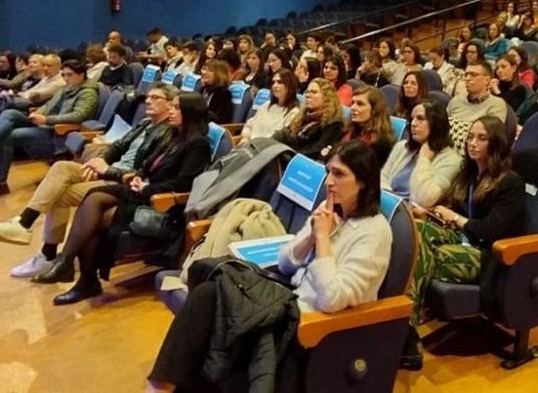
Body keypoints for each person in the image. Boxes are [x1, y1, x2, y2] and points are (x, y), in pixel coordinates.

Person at [146, 141, 391, 392]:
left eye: (339, 174)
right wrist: (309, 238)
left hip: (313, 328)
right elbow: (285, 264)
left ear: (363, 181)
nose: (328, 181)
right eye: (328, 171)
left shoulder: (375, 231)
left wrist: (322, 239)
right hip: (284, 302)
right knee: (210, 294)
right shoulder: (329, 210)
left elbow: (331, 299)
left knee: (219, 325)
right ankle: (158, 387)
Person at [0, 84, 178, 277]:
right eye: (148, 97)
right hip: (109, 170)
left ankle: (46, 252)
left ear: (170, 104)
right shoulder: (145, 124)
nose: (148, 101)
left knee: (58, 194)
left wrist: (109, 171)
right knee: (61, 168)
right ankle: (24, 224)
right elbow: (118, 146)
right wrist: (102, 159)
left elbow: (145, 171)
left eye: (155, 98)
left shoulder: (169, 133)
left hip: (122, 182)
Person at [32, 92, 212, 305]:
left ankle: (78, 274)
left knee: (95, 212)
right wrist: (138, 177)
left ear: (190, 113)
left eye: (177, 108)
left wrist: (147, 187)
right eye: (171, 106)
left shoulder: (198, 144)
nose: (171, 111)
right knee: (93, 198)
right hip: (142, 192)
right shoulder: (174, 135)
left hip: (162, 204)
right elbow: (148, 165)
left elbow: (184, 183)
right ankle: (69, 266)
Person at [400, 115, 525, 370]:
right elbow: (456, 212)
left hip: (488, 254)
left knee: (427, 256)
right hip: (463, 239)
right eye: (470, 137)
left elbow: (491, 231)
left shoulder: (510, 182)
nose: (473, 143)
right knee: (419, 231)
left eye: (481, 138)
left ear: (496, 144)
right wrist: (434, 214)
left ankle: (406, 331)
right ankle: (404, 323)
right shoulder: (468, 175)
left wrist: (455, 218)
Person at [0, 60, 100, 199]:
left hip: (59, 133)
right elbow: (49, 105)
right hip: (46, 125)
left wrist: (47, 119)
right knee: (9, 113)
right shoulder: (67, 88)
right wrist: (39, 112)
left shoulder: (88, 93)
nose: (66, 78)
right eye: (64, 75)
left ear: (82, 75)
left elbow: (78, 116)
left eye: (70, 75)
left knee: (6, 137)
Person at [381, 100, 461, 208]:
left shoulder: (451, 160)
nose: (413, 123)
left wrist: (424, 159)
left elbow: (425, 200)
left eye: (420, 118)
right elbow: (382, 178)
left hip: (411, 218)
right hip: (388, 207)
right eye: (412, 118)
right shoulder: (402, 147)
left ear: (436, 123)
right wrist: (391, 203)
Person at [274, 78, 346, 161]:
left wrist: (287, 155)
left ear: (327, 97)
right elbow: (285, 133)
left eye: (314, 92)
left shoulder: (334, 123)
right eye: (307, 92)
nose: (307, 95)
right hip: (286, 155)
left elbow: (316, 150)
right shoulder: (303, 115)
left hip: (301, 162)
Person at [240, 69, 302, 142]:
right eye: (273, 82)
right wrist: (245, 137)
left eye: (279, 82)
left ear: (289, 86)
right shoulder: (266, 105)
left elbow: (282, 140)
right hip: (249, 145)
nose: (275, 86)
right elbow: (249, 125)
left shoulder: (294, 112)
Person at [447, 61, 510, 127]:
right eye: (466, 75)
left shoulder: (497, 104)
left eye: (473, 75)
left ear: (487, 80)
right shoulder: (456, 100)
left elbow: (491, 133)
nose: (468, 78)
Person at [344, 85, 396, 165]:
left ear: (375, 109)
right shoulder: (350, 130)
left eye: (360, 104)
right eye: (352, 103)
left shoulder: (382, 143)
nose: (353, 107)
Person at [198, 58, 233, 123]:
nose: (204, 72)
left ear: (219, 74)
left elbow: (222, 119)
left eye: (210, 70)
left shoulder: (224, 94)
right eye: (204, 69)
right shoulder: (202, 90)